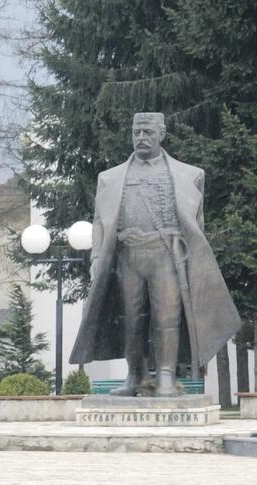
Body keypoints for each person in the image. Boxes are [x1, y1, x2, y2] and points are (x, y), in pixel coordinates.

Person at [70, 112, 241, 396]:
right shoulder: (109, 178)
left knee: (167, 318)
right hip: (128, 256)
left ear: (161, 134)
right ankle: (135, 375)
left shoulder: (191, 175)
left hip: (166, 256)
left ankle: (165, 377)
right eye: (136, 132)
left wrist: (193, 262)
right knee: (131, 319)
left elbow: (196, 226)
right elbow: (100, 222)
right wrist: (97, 257)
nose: (141, 138)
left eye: (148, 132)